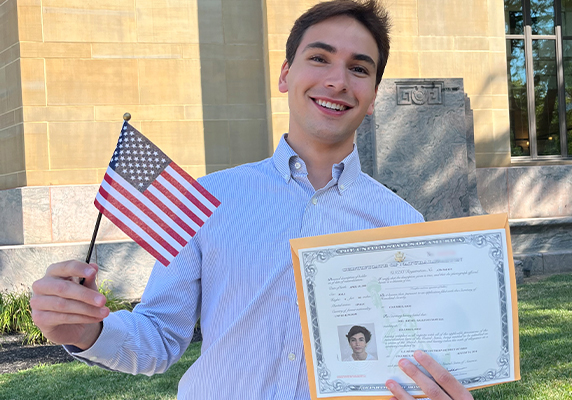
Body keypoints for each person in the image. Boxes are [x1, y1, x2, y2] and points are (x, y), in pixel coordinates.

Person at [30, 1, 474, 399]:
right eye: (319, 58)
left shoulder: (404, 225)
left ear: (373, 95)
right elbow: (161, 336)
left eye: (359, 69)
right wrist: (88, 331)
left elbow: (410, 356)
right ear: (285, 74)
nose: (337, 80)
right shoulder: (205, 200)